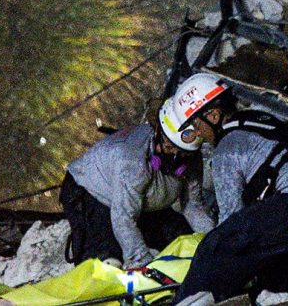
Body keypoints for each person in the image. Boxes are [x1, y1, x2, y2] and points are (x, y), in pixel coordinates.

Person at [170, 73, 288, 303]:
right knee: (275, 290)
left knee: (214, 246)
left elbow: (230, 221)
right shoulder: (262, 121)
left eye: (196, 124)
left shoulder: (227, 148)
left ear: (213, 114)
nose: (197, 133)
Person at [60, 97, 215, 269]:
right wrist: (141, 262)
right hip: (88, 189)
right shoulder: (133, 161)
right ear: (157, 133)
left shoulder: (191, 158)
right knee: (107, 260)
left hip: (141, 198)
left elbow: (192, 205)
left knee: (180, 236)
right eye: (170, 148)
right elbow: (123, 217)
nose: (175, 156)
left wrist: (215, 240)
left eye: (182, 153)